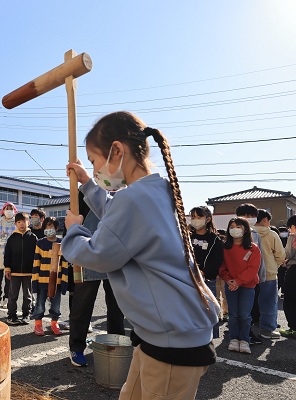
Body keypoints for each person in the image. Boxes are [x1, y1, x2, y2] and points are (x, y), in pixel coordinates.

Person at [62, 111, 219, 399]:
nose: (96, 170)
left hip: (173, 340)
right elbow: (115, 213)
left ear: (117, 150)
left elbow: (100, 254)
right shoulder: (154, 190)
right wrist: (86, 183)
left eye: (95, 162)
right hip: (167, 332)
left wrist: (74, 231)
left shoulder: (134, 198)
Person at [68, 206, 125, 367]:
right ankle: (76, 347)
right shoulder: (83, 194)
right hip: (88, 254)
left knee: (116, 306)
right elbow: (73, 220)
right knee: (82, 306)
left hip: (114, 255)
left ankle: (116, 343)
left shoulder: (121, 193)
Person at [219, 218, 262, 354]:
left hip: (247, 285)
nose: (235, 229)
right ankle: (234, 338)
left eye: (238, 226)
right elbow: (222, 267)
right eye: (232, 226)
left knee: (244, 314)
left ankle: (244, 339)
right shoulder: (225, 247)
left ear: (245, 230)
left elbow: (253, 268)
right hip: (231, 285)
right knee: (233, 314)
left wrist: (238, 281)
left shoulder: (253, 248)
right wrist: (228, 280)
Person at [189, 206, 224, 339]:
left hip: (207, 280)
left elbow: (217, 260)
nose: (195, 220)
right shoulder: (187, 236)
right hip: (188, 279)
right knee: (190, 310)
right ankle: (192, 337)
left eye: (199, 217)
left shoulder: (214, 239)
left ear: (208, 219)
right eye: (193, 217)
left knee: (209, 309)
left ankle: (210, 338)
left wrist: (204, 272)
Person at [31, 217, 69, 336]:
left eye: (51, 227)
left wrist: (64, 281)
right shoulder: (40, 243)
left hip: (56, 281)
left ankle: (54, 323)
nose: (49, 229)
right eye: (47, 227)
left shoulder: (61, 243)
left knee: (56, 305)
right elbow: (36, 263)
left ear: (56, 228)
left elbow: (64, 264)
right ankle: (38, 324)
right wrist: (35, 282)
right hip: (42, 280)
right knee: (40, 304)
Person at [235, 203, 266, 344]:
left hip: (251, 277)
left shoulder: (255, 233)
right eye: (251, 216)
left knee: (248, 308)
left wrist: (261, 275)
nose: (254, 219)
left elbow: (259, 258)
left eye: (254, 216)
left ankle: (244, 333)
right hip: (237, 278)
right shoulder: (233, 232)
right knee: (240, 308)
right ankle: (241, 334)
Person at [253, 209, 285, 339]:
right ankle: (267, 329)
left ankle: (250, 324)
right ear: (265, 220)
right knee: (269, 302)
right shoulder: (272, 234)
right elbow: (280, 255)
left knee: (250, 300)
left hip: (249, 273)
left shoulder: (247, 233)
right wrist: (274, 265)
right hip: (269, 273)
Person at [4, 212, 37, 325]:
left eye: (24, 221)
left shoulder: (33, 238)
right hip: (14, 272)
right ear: (15, 224)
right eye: (19, 222)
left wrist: (36, 269)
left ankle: (26, 314)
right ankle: (11, 315)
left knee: (28, 295)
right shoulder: (12, 238)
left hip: (29, 272)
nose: (22, 224)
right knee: (13, 295)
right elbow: (7, 254)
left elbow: (37, 255)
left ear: (28, 222)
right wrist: (7, 268)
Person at [0, 202, 18, 308]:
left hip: (11, 255)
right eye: (7, 208)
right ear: (3, 210)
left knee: (9, 279)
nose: (9, 210)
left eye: (11, 208)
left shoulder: (16, 223)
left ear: (14, 210)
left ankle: (6, 298)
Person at [279, 215, 296, 339]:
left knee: (290, 299)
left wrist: (283, 261)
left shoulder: (293, 236)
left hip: (294, 269)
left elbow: (289, 253)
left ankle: (293, 328)